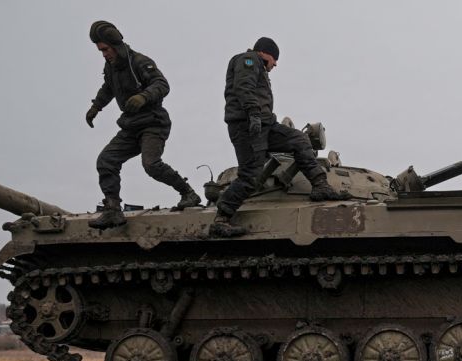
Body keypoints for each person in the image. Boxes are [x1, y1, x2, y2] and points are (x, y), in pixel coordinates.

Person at [210, 37, 350, 238]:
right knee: (251, 175)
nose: (275, 64)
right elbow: (243, 86)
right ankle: (221, 218)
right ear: (265, 53)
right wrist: (254, 114)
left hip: (267, 125)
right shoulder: (248, 60)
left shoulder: (259, 67)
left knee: (299, 140)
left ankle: (320, 186)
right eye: (274, 59)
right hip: (248, 125)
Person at [85, 20, 201, 230]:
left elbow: (162, 84)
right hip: (131, 126)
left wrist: (144, 97)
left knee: (151, 164)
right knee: (106, 160)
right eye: (100, 50)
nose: (104, 54)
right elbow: (108, 88)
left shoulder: (139, 62)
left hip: (153, 123)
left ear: (115, 45)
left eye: (105, 49)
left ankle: (188, 193)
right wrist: (96, 107)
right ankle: (113, 210)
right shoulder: (111, 67)